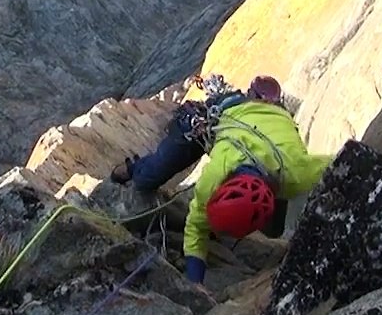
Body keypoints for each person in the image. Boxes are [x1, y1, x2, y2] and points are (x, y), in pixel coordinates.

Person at [110, 74, 333, 285]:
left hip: (252, 113)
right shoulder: (217, 173)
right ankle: (132, 168)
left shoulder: (298, 172)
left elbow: (348, 159)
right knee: (148, 179)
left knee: (273, 231)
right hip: (219, 113)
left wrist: (194, 280)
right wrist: (194, 282)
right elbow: (196, 227)